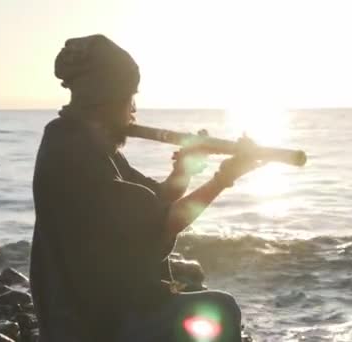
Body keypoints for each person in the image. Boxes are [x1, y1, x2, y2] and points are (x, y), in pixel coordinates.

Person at [30, 34, 260, 342]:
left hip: (94, 314)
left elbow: (157, 198)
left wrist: (184, 169)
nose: (133, 111)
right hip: (94, 325)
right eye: (129, 98)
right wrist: (223, 179)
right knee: (219, 308)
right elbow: (165, 222)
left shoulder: (79, 141)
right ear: (108, 99)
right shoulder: (74, 153)